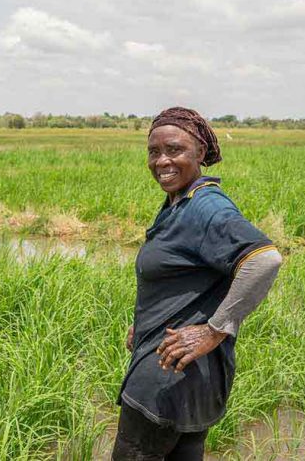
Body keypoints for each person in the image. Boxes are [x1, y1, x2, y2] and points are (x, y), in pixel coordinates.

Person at [112, 107, 283, 461]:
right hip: (193, 382)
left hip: (164, 384)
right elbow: (189, 278)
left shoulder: (205, 206)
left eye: (174, 150)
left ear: (200, 153)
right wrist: (145, 323)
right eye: (154, 152)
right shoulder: (179, 201)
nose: (162, 161)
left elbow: (264, 259)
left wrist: (214, 330)